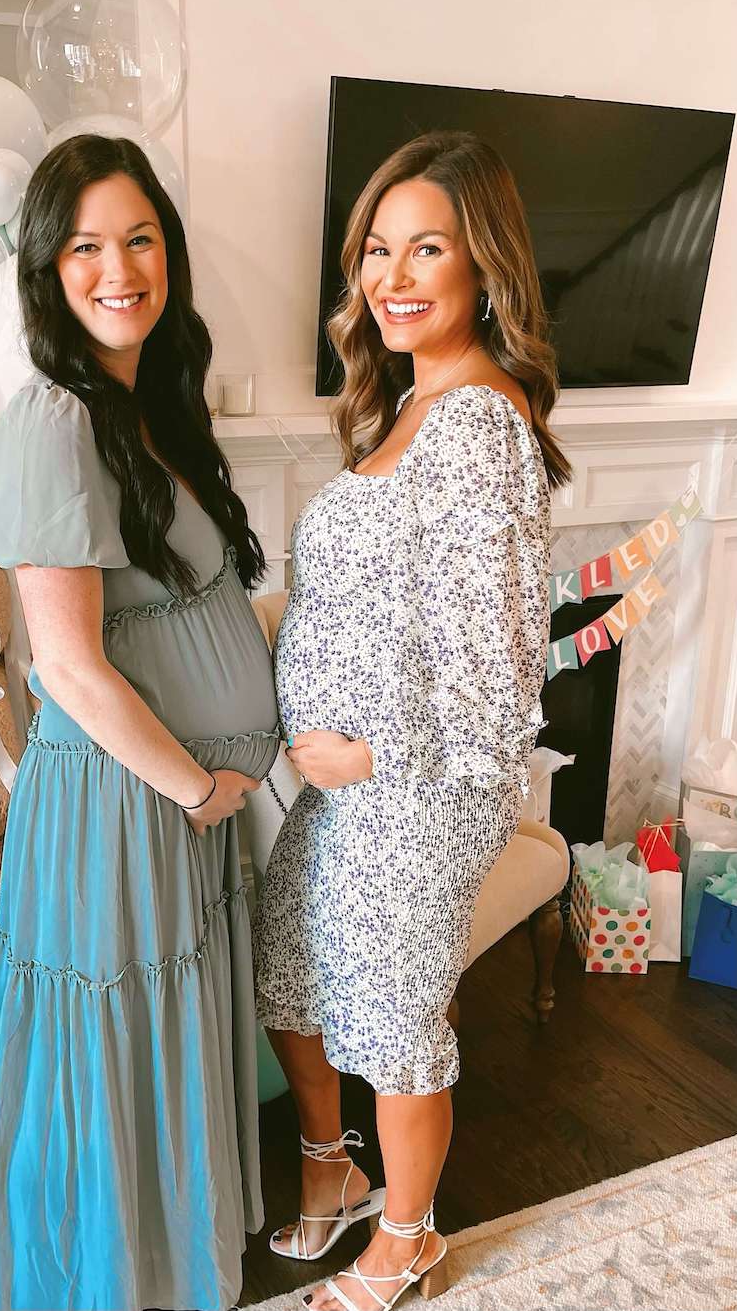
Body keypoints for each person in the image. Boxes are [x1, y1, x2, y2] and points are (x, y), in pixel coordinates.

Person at [253, 130, 572, 1310]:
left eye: (424, 247)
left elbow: (501, 673)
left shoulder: (479, 425)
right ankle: (329, 1175)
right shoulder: (402, 406)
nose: (391, 276)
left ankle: (407, 1235)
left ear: (482, 267)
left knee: (389, 1017)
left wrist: (379, 749)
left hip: (422, 786)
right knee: (286, 974)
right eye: (377, 250)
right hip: (344, 784)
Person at [0, 134, 280, 1311]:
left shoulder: (143, 400)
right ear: (47, 270)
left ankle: (166, 1273)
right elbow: (69, 665)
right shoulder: (53, 417)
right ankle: (114, 1287)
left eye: (141, 238)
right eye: (87, 246)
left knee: (162, 1056)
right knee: (119, 1063)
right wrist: (197, 790)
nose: (120, 268)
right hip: (128, 800)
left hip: (171, 803)